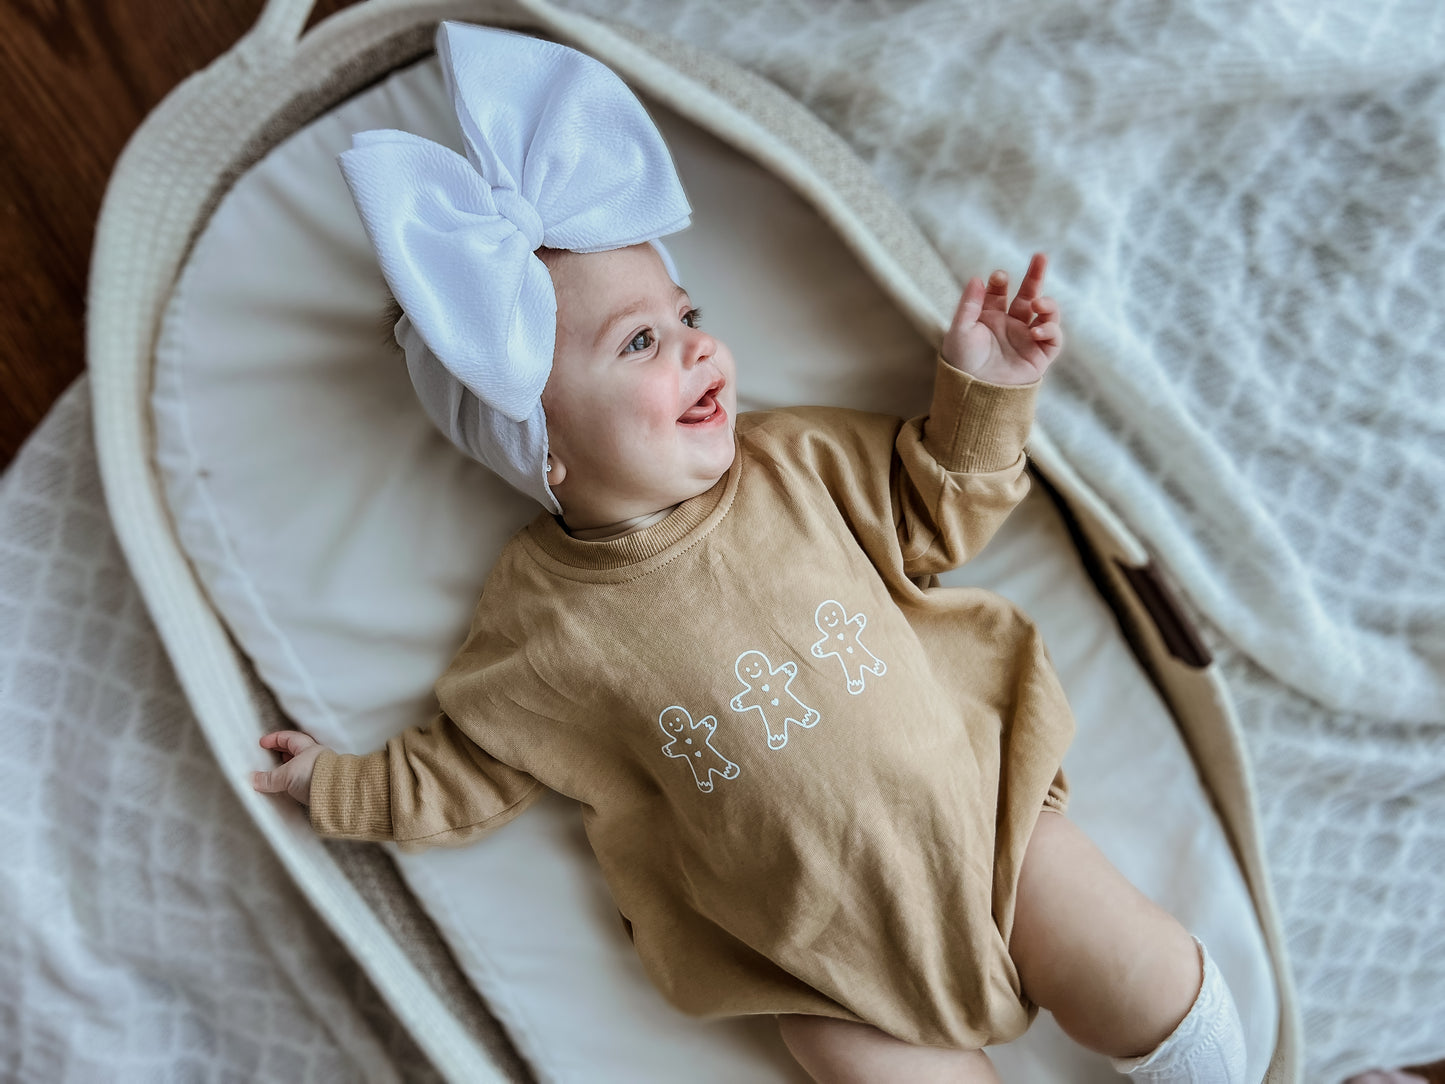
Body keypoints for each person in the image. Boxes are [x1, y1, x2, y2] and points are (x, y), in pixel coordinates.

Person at [253, 22, 1248, 1084]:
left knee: (1143, 976)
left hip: (990, 826)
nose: (693, 344)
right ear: (541, 448)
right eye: (638, 342)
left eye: (685, 312)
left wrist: (985, 387)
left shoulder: (795, 461)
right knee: (849, 1055)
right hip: (821, 963)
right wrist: (336, 787)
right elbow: (466, 763)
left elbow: (933, 510)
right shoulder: (539, 622)